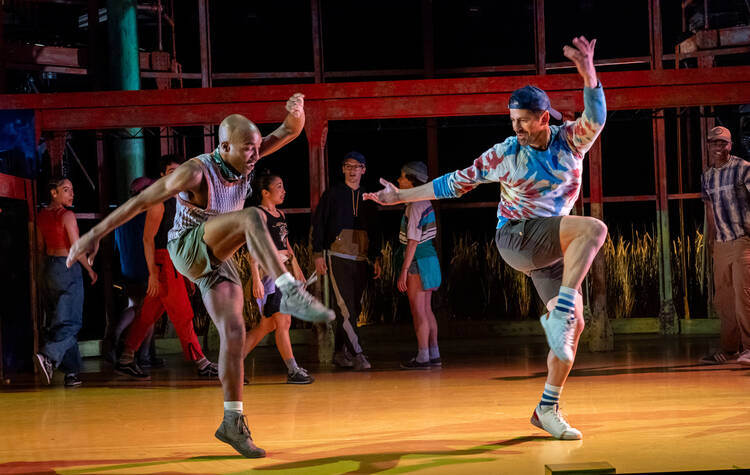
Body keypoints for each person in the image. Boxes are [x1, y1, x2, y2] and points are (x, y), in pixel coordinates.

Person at [365, 36, 607, 440]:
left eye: (524, 121)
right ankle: (560, 312)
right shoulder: (505, 153)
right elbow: (451, 183)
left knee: (575, 330)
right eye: (512, 121)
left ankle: (547, 408)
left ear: (545, 117)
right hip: (515, 238)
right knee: (593, 228)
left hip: (550, 246)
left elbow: (596, 117)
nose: (516, 129)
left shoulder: (569, 142)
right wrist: (399, 197)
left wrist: (588, 73)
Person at [67, 93, 334, 458]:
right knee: (253, 216)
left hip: (217, 255)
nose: (256, 156)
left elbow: (288, 132)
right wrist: (91, 234)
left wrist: (298, 114)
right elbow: (141, 202)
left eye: (257, 149)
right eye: (248, 149)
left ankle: (232, 422)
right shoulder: (195, 171)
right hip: (188, 249)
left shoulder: (247, 157)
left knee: (235, 331)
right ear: (224, 146)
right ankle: (289, 289)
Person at [115, 156, 218, 380]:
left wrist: (188, 273)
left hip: (175, 262)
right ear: (162, 175)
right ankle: (201, 362)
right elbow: (148, 240)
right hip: (164, 264)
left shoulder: (183, 201)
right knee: (183, 314)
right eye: (172, 171)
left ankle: (126, 358)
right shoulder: (159, 203)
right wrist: (153, 273)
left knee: (148, 315)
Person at [312, 151, 382, 371]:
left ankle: (341, 353)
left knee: (355, 307)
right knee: (346, 309)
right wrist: (317, 254)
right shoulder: (332, 194)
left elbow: (376, 230)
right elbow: (320, 224)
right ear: (342, 169)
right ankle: (357, 354)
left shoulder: (369, 197)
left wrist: (377, 257)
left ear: (364, 170)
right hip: (338, 256)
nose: (353, 171)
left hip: (361, 258)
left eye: (357, 166)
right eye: (348, 166)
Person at [243, 171, 314, 384]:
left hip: (282, 273)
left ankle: (233, 363)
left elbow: (285, 243)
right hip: (269, 276)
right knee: (283, 321)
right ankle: (293, 369)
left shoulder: (280, 215)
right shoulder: (259, 215)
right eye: (279, 187)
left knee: (267, 325)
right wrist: (256, 279)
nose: (283, 191)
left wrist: (296, 267)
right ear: (265, 192)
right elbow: (253, 250)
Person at [35, 177, 98, 387]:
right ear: (54, 193)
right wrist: (90, 269)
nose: (71, 194)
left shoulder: (41, 216)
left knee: (59, 320)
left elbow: (39, 248)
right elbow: (76, 248)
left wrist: (41, 274)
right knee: (71, 322)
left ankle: (72, 373)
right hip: (68, 267)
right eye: (66, 190)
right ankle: (49, 355)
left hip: (50, 269)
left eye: (71, 190)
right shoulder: (67, 215)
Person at [699, 126, 750, 366]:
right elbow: (710, 209)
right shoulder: (707, 176)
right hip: (721, 242)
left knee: (744, 296)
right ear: (708, 145)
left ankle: (749, 348)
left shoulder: (743, 168)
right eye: (714, 143)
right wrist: (711, 240)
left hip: (743, 239)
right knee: (725, 299)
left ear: (730, 145)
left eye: (723, 143)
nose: (719, 147)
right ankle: (730, 349)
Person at [394, 161, 442, 370]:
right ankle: (433, 352)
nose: (399, 180)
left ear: (411, 180)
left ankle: (423, 355)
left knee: (418, 311)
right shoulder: (425, 202)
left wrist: (403, 271)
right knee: (427, 309)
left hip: (418, 261)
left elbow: (413, 241)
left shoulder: (415, 205)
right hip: (430, 258)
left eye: (402, 176)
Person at [109, 177, 159, 367]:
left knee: (135, 307)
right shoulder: (146, 212)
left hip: (127, 268)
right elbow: (149, 240)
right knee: (148, 313)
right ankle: (144, 356)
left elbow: (116, 245)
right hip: (144, 268)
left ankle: (113, 340)